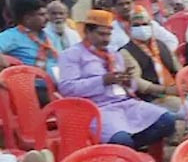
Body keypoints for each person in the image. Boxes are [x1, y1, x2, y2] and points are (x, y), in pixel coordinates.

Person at [57, 9, 176, 148]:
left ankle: (126, 149)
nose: (106, 39)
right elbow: (67, 88)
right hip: (97, 108)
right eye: (101, 34)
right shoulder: (71, 55)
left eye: (108, 34)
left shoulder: (113, 53)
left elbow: (131, 87)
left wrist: (128, 81)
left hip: (125, 103)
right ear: (87, 32)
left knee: (167, 121)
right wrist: (102, 80)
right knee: (121, 140)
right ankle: (124, 148)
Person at [120, 5, 182, 115]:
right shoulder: (126, 52)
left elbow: (178, 68)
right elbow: (136, 81)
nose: (142, 28)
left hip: (176, 89)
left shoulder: (161, 44)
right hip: (154, 97)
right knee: (186, 109)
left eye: (145, 24)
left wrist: (183, 84)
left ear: (151, 26)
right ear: (129, 28)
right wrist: (165, 90)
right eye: (136, 25)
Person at [0, 0, 63, 93]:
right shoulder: (11, 36)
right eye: (41, 14)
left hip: (60, 83)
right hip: (34, 88)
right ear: (27, 18)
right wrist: (4, 64)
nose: (47, 18)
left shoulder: (50, 35)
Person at [109, 0, 178, 53]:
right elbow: (112, 52)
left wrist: (161, 56)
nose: (125, 7)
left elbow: (171, 41)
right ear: (115, 7)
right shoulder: (111, 29)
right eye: (121, 4)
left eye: (128, 3)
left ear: (134, 3)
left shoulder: (148, 23)